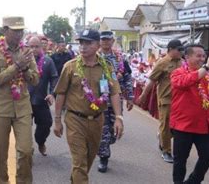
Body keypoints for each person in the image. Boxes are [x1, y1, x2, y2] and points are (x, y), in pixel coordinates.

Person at [53, 29, 123, 184]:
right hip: (75, 120)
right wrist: (57, 120)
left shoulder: (107, 67)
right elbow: (61, 93)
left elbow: (114, 92)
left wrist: (118, 117)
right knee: (79, 162)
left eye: (88, 43)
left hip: (98, 120)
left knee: (89, 158)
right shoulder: (70, 67)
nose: (83, 47)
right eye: (81, 43)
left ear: (98, 45)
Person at [0, 16, 39, 184]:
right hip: (0, 108)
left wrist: (24, 69)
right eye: (15, 30)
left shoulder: (26, 51)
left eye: (21, 30)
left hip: (22, 107)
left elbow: (35, 79)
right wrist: (16, 66)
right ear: (4, 31)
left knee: (26, 150)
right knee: (0, 154)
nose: (19, 34)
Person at [170, 45, 209, 184]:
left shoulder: (206, 76)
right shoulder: (178, 73)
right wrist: (206, 68)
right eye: (198, 56)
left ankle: (193, 181)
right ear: (187, 57)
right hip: (183, 125)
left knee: (208, 156)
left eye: (204, 56)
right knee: (180, 160)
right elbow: (185, 82)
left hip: (204, 125)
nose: (202, 59)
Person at [136, 39, 184, 163]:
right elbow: (152, 81)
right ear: (170, 50)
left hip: (180, 100)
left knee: (177, 126)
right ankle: (166, 151)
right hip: (166, 99)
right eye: (178, 50)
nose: (181, 52)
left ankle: (163, 137)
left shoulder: (182, 62)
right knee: (166, 125)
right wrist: (143, 96)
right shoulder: (162, 63)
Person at [97, 31, 133, 172]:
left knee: (113, 130)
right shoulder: (94, 57)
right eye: (103, 40)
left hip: (116, 99)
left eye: (108, 40)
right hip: (99, 100)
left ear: (113, 41)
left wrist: (130, 97)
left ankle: (106, 145)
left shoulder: (120, 58)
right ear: (100, 41)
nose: (105, 42)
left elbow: (127, 78)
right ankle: (103, 157)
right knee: (103, 129)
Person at [27, 36, 58, 156]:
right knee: (24, 128)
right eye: (31, 46)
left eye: (36, 46)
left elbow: (54, 78)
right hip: (25, 101)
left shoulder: (48, 61)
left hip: (41, 100)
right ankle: (27, 150)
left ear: (41, 47)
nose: (34, 49)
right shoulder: (23, 61)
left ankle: (40, 141)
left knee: (46, 124)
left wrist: (51, 93)